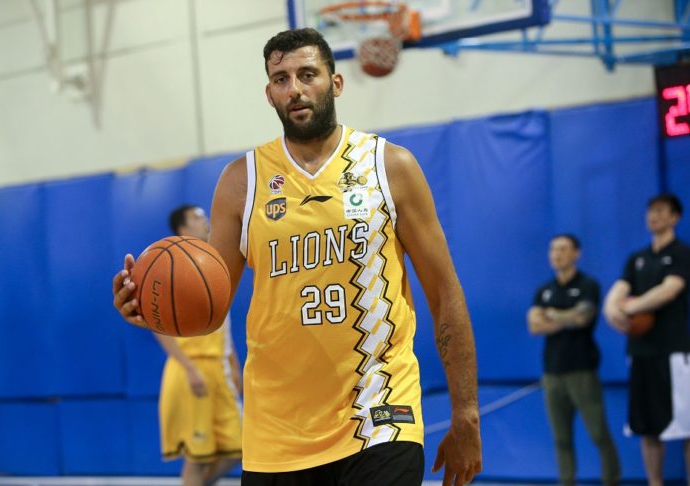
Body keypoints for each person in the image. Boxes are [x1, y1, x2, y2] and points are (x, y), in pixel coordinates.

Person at [114, 28, 482, 486]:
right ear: (269, 94)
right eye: (281, 79)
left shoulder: (390, 167)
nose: (295, 89)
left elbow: (444, 291)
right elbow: (209, 310)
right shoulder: (241, 182)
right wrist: (150, 309)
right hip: (277, 431)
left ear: (336, 82)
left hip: (381, 411)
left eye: (308, 74)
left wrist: (466, 412)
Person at [604, 193, 690, 486]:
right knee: (647, 429)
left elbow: (669, 290)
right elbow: (617, 291)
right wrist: (611, 309)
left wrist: (629, 308)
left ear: (675, 217)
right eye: (651, 210)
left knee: (687, 428)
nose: (654, 215)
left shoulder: (681, 253)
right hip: (641, 353)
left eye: (661, 211)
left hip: (674, 353)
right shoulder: (637, 258)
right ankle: (655, 483)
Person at [155, 205, 242, 486]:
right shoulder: (171, 267)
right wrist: (190, 368)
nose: (204, 220)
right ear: (182, 229)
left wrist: (234, 366)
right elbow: (157, 325)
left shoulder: (214, 263)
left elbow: (223, 326)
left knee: (240, 447)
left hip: (219, 370)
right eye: (196, 217)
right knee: (198, 457)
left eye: (204, 215)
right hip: (192, 370)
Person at [527, 234, 620, 486]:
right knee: (561, 438)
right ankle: (566, 481)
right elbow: (534, 325)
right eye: (553, 249)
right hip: (552, 372)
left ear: (576, 253)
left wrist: (552, 314)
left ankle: (611, 480)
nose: (557, 254)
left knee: (598, 433)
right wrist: (566, 317)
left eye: (563, 249)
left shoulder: (588, 285)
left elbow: (583, 318)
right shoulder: (544, 290)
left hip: (582, 371)